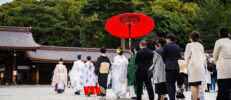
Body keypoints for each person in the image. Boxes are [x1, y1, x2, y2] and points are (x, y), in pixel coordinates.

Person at [185, 31, 205, 100]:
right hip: (200, 67)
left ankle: (195, 99)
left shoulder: (189, 45)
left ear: (191, 38)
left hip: (193, 67)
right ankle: (197, 98)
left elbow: (186, 57)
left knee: (193, 85)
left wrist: (186, 67)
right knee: (197, 84)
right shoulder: (201, 45)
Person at [213, 26, 231, 100]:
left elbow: (215, 55)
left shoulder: (219, 42)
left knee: (222, 87)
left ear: (220, 33)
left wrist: (214, 62)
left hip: (222, 66)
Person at [162, 33, 181, 100]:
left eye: (166, 39)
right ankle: (173, 98)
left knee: (169, 84)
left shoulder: (166, 46)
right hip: (176, 67)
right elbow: (179, 57)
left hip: (169, 67)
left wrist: (166, 62)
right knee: (173, 84)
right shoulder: (177, 46)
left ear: (169, 39)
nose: (166, 40)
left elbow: (163, 56)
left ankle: (172, 98)